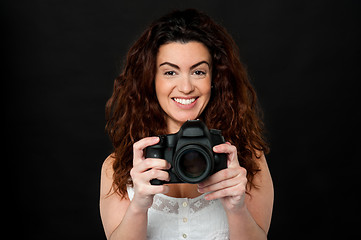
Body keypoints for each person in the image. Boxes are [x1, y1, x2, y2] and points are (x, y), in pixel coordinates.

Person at [100, 9, 273, 240]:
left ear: (214, 80)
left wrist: (236, 208)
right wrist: (139, 206)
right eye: (170, 72)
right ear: (151, 80)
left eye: (198, 71)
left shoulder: (248, 160)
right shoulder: (118, 168)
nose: (185, 87)